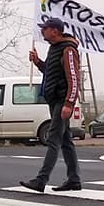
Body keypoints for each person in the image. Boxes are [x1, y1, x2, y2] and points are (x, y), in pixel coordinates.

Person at [20, 18, 83, 193]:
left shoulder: (68, 50)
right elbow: (50, 71)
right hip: (54, 99)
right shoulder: (54, 48)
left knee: (53, 139)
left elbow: (74, 78)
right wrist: (38, 62)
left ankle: (41, 180)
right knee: (66, 141)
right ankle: (74, 179)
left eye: (45, 28)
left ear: (55, 31)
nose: (42, 31)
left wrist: (69, 103)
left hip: (61, 101)